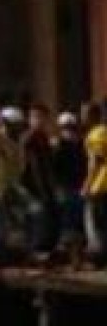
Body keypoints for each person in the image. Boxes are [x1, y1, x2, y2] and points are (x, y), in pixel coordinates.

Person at [0, 105, 28, 267]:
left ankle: (16, 254)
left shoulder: (18, 143)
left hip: (12, 186)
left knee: (25, 216)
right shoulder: (1, 140)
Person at [22, 103, 59, 257]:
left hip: (46, 185)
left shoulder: (44, 138)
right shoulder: (28, 138)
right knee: (37, 217)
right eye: (35, 117)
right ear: (29, 119)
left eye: (42, 117)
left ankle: (46, 250)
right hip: (33, 186)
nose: (39, 121)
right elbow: (31, 166)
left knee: (49, 216)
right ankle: (36, 251)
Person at [52, 111, 87, 267]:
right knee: (69, 225)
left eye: (72, 127)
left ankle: (77, 258)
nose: (69, 131)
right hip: (66, 189)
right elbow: (54, 170)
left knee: (78, 225)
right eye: (66, 127)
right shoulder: (58, 146)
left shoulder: (81, 145)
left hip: (79, 188)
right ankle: (72, 259)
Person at [82, 99, 107, 268]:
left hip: (100, 185)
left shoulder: (95, 134)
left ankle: (98, 258)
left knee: (94, 224)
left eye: (84, 113)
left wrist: (87, 184)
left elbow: (95, 161)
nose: (81, 116)